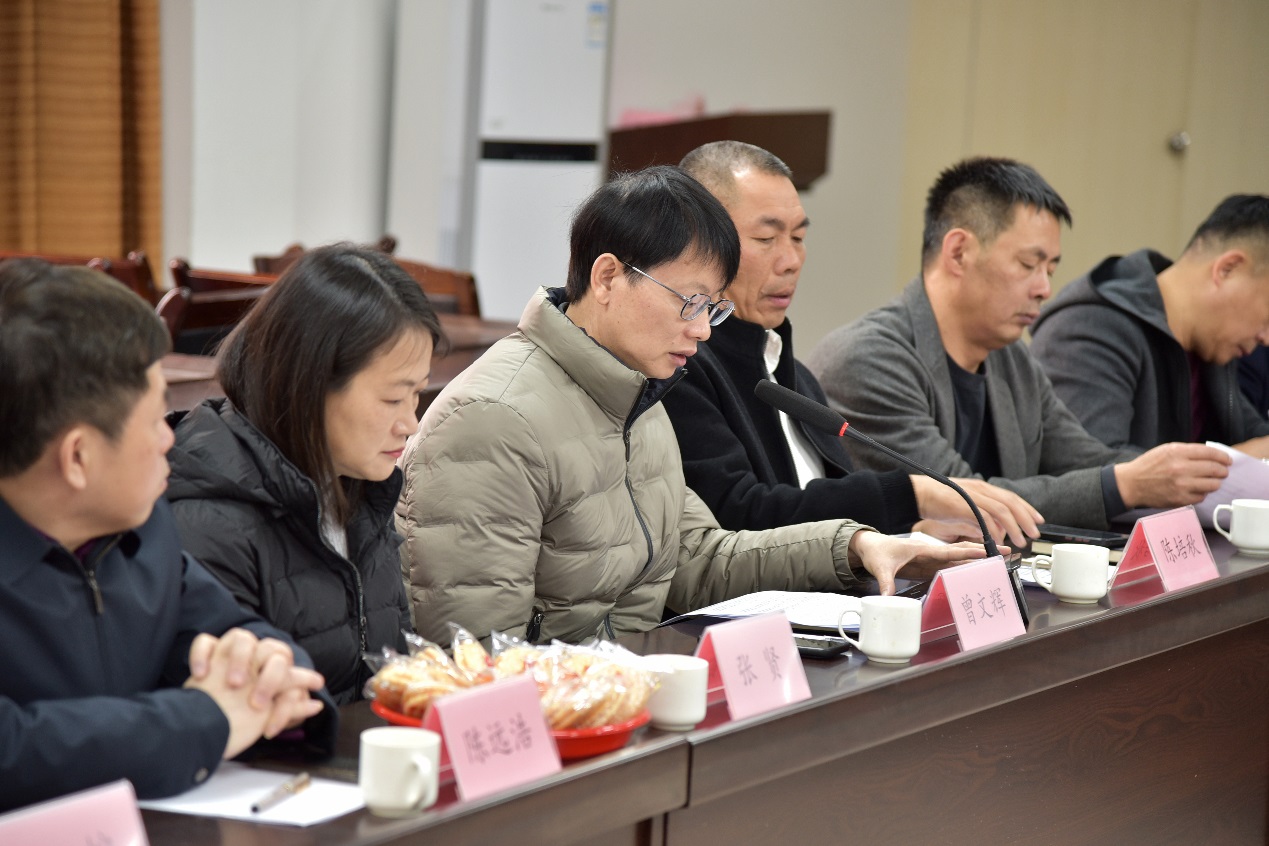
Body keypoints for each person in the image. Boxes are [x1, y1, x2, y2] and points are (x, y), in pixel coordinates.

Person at [396, 165, 989, 646]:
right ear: (608, 277)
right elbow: (476, 655)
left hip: (631, 697)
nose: (703, 330)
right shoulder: (495, 420)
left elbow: (698, 556)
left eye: (713, 308)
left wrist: (858, 547)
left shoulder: (639, 399)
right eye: (690, 302)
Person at [0, 260, 332, 812]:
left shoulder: (139, 531)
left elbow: (233, 635)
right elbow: (16, 751)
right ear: (78, 457)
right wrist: (206, 720)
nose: (169, 440)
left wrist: (270, 672)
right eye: (157, 419)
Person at [808, 157, 1230, 530]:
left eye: (1051, 269)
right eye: (1029, 264)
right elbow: (960, 499)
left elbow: (1084, 458)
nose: (1044, 288)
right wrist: (1124, 484)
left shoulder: (1012, 358)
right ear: (958, 252)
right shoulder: (867, 360)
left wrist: (1179, 473)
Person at [666, 140, 1040, 547]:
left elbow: (822, 520)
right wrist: (910, 494)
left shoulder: (796, 378)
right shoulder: (679, 367)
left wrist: (906, 536)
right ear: (700, 243)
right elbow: (739, 516)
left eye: (798, 237)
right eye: (766, 238)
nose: (792, 260)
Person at [167, 245, 444, 704]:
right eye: (393, 399)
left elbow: (392, 668)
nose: (410, 424)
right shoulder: (209, 521)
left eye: (417, 395)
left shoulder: (358, 485)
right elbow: (240, 713)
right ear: (309, 385)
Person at [1031, 194, 1269, 456]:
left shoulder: (1211, 345)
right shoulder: (1088, 328)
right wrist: (1228, 463)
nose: (1266, 338)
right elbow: (1089, 468)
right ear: (1227, 269)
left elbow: (1258, 439)